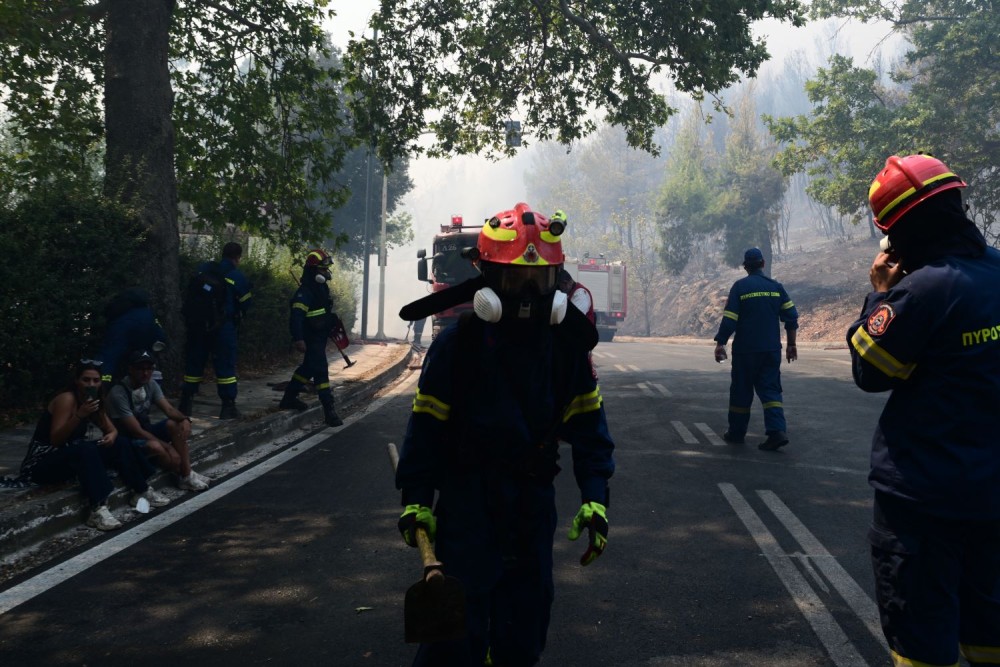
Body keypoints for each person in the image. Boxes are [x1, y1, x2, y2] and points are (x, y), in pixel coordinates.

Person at [395, 202, 615, 666]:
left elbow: (591, 430)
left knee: (525, 631)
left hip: (532, 507)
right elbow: (427, 425)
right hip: (467, 504)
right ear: (486, 281)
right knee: (452, 640)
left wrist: (596, 496)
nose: (528, 294)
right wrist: (416, 496)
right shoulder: (457, 346)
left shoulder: (566, 350)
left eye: (539, 281)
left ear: (559, 282)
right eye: (516, 281)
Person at [847, 153, 1000, 666]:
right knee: (990, 631)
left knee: (921, 642)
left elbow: (871, 371)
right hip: (993, 496)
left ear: (898, 233)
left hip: (922, 503)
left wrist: (880, 297)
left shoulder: (921, 291)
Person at [17, 359, 167, 530]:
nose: (91, 384)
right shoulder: (67, 399)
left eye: (96, 380)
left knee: (121, 443)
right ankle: (97, 508)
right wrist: (79, 416)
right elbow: (56, 440)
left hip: (71, 456)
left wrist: (110, 436)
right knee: (86, 449)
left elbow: (111, 430)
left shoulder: (93, 400)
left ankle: (141, 490)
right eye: (86, 380)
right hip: (42, 463)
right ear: (77, 381)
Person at [713, 247, 798, 451]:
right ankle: (777, 432)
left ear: (745, 267)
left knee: (741, 390)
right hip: (770, 350)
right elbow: (791, 317)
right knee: (770, 390)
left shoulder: (740, 288)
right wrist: (792, 345)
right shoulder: (775, 287)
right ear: (763, 264)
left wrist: (720, 343)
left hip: (745, 351)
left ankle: (736, 432)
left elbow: (730, 319)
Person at [109, 349, 210, 492]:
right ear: (130, 369)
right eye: (140, 369)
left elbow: (169, 410)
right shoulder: (119, 393)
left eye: (149, 369)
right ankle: (179, 471)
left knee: (175, 425)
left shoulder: (151, 385)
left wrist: (185, 419)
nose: (145, 373)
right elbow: (135, 430)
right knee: (157, 448)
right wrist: (168, 448)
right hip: (127, 439)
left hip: (146, 430)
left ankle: (186, 475)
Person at [179, 241, 253, 419]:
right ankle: (228, 407)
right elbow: (246, 304)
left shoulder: (203, 269)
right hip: (223, 328)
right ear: (237, 258)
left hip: (198, 325)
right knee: (225, 366)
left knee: (194, 363)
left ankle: (186, 402)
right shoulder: (237, 276)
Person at [278, 249, 343, 427]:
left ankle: (288, 398)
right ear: (314, 270)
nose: (326, 272)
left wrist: (330, 322)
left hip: (319, 337)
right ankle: (329, 410)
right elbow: (297, 316)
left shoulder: (321, 288)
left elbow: (321, 313)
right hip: (311, 338)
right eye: (323, 269)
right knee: (321, 370)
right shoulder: (305, 291)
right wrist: (299, 338)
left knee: (307, 369)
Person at [96, 287, 168, 385]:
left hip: (122, 343)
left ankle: (101, 383)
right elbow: (159, 334)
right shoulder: (149, 314)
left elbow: (110, 352)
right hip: (142, 349)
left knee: (109, 358)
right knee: (147, 366)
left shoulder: (121, 313)